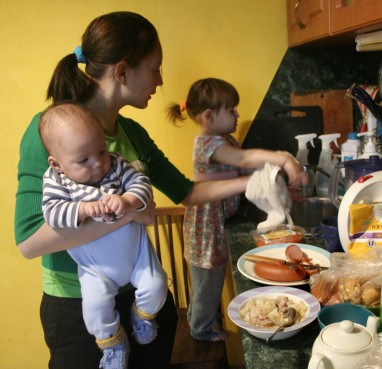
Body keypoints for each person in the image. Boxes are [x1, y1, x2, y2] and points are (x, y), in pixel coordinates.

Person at [14, 11, 308, 369]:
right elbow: (29, 241)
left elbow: (188, 192)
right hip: (79, 309)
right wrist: (131, 215)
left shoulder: (133, 133)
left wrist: (262, 179)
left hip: (144, 297)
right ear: (122, 72)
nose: (160, 80)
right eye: (155, 68)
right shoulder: (48, 133)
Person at [167, 77, 305, 341]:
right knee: (207, 281)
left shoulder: (225, 139)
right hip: (205, 229)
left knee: (211, 278)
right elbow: (243, 159)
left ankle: (201, 321)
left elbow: (247, 168)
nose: (238, 114)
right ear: (208, 116)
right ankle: (200, 329)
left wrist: (284, 190)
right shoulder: (207, 143)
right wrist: (284, 159)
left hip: (217, 222)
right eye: (231, 109)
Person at [39, 102, 168, 369]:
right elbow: (52, 214)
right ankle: (112, 341)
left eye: (101, 151)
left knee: (157, 285)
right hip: (95, 266)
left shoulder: (117, 164)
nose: (98, 164)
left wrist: (129, 201)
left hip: (137, 253)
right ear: (57, 164)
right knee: (95, 308)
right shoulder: (56, 180)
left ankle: (142, 317)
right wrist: (83, 209)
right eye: (83, 160)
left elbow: (142, 184)